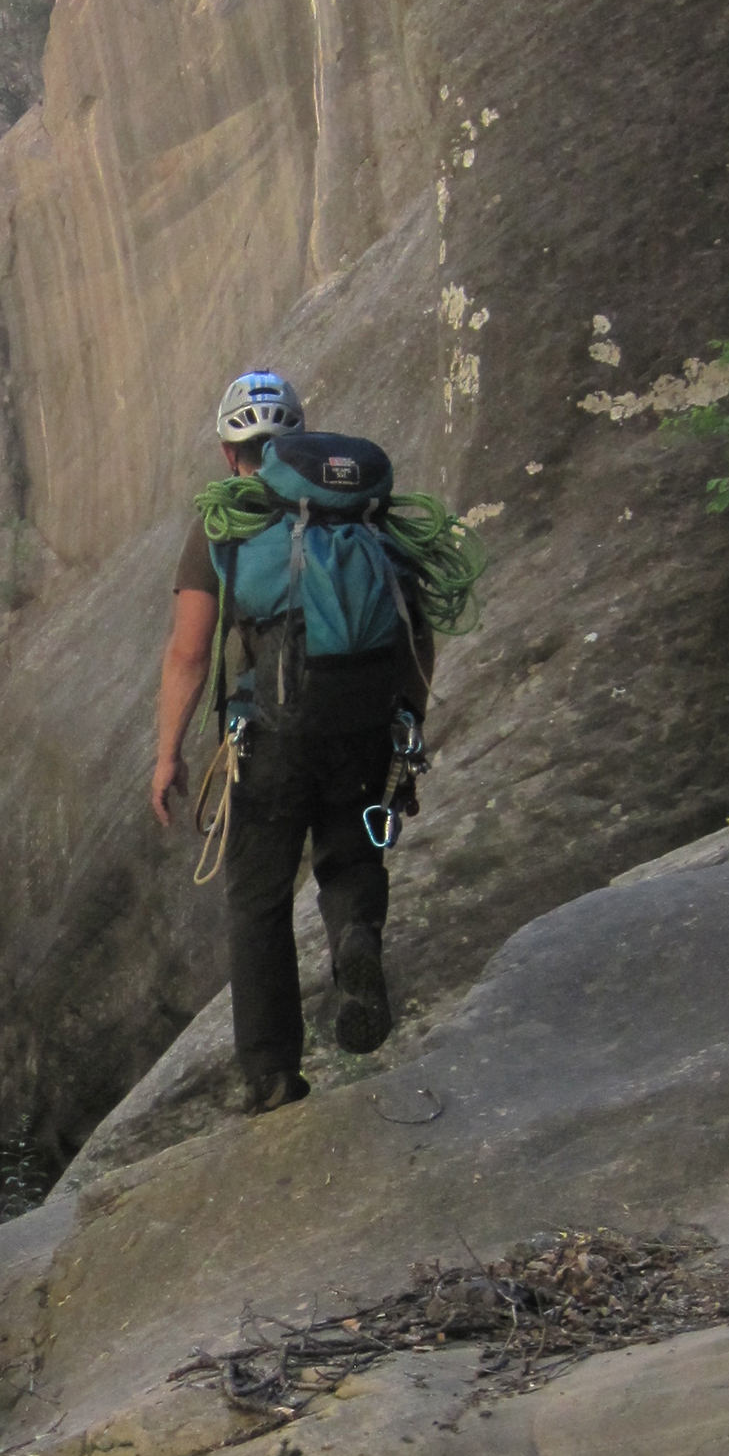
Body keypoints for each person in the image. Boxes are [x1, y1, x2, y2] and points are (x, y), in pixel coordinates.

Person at [150, 369, 433, 1115]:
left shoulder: (223, 522)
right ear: (300, 436)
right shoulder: (367, 514)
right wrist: (408, 726)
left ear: (227, 450)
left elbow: (188, 651)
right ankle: (356, 947)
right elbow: (415, 627)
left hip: (269, 739)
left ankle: (273, 1074)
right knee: (350, 856)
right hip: (364, 725)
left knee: (259, 899)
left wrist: (167, 752)